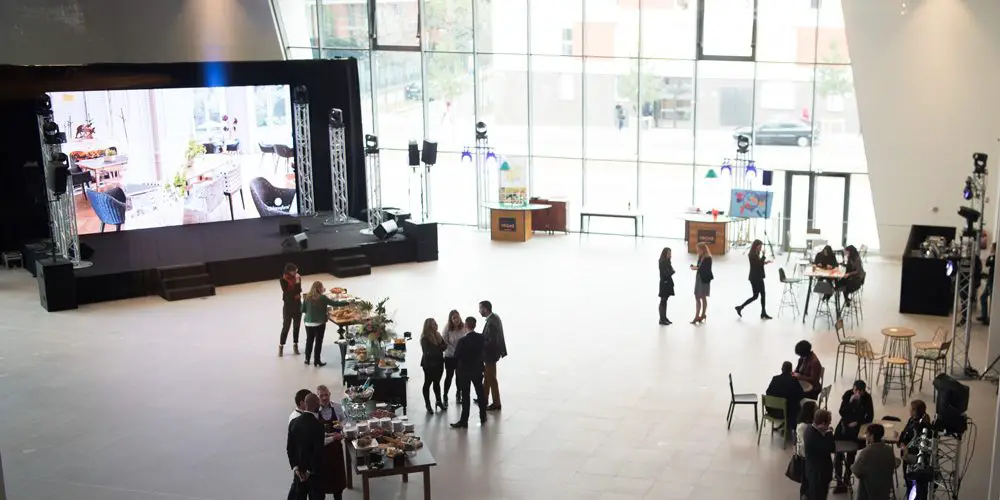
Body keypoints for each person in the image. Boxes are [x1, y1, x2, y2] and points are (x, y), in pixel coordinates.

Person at [833, 380, 875, 491]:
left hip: (857, 428)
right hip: (843, 427)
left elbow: (870, 416)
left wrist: (857, 422)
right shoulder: (848, 394)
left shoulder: (867, 398)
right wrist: (850, 402)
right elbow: (842, 412)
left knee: (851, 455)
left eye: (859, 391)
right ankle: (839, 481)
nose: (856, 393)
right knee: (838, 455)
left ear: (863, 391)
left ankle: (847, 477)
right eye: (855, 390)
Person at [300, 281, 351, 367]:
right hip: (319, 323)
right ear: (319, 288)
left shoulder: (306, 297)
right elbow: (335, 303)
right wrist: (347, 303)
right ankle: (317, 361)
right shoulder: (322, 297)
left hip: (308, 323)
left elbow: (303, 310)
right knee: (318, 342)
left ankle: (307, 359)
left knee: (309, 341)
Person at [286, 393, 324, 500]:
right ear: (317, 406)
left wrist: (296, 468)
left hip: (299, 472)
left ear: (305, 404)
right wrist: (309, 471)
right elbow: (317, 452)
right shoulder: (318, 426)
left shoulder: (293, 423)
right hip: (314, 473)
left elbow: (290, 448)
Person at [451, 316, 487, 428]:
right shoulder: (481, 338)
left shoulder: (463, 341)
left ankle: (464, 420)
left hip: (465, 371)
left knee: (465, 396)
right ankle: (483, 416)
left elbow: (456, 355)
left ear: (466, 325)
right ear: (475, 325)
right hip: (477, 369)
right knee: (480, 393)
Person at [315, 385, 347, 500]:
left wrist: (341, 425)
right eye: (321, 395)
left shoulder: (337, 407)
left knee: (337, 480)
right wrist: (333, 436)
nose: (324, 398)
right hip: (321, 453)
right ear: (317, 397)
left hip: (336, 451)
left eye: (326, 395)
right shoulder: (314, 413)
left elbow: (344, 418)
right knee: (322, 483)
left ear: (330, 394)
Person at [851, 424, 897, 500]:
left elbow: (856, 471)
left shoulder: (866, 452)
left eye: (867, 434)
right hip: (885, 489)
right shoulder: (888, 450)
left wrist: (852, 466)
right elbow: (893, 465)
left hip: (869, 491)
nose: (866, 435)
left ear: (872, 436)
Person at [803, 409, 835, 500]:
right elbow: (831, 448)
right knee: (819, 496)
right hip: (818, 474)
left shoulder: (810, 428)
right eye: (828, 423)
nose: (829, 425)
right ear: (823, 423)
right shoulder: (813, 437)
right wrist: (829, 432)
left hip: (817, 471)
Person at [736, 239, 772, 319]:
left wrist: (765, 262)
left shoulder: (755, 253)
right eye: (760, 246)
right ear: (756, 246)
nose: (761, 248)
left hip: (756, 277)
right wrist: (763, 256)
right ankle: (741, 307)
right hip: (756, 278)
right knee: (758, 295)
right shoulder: (752, 254)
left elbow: (758, 263)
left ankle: (762, 312)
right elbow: (757, 264)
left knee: (759, 295)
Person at [480, 300, 506, 411]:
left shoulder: (492, 322)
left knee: (491, 378)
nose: (479, 311)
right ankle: (484, 398)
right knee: (487, 377)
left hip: (490, 355)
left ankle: (496, 403)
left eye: (480, 308)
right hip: (492, 354)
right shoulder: (494, 318)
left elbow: (492, 342)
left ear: (485, 309)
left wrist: (480, 342)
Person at [766, 361, 804, 432]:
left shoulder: (775, 379)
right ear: (791, 370)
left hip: (773, 411)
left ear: (781, 369)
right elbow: (801, 395)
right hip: (788, 413)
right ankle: (793, 427)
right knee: (798, 406)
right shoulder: (794, 380)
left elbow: (768, 392)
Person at [420, 318, 447, 414]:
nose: (436, 325)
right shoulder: (425, 338)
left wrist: (439, 348)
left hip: (439, 363)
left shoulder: (438, 335)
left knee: (437, 382)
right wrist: (439, 348)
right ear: (429, 326)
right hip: (429, 364)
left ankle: (438, 401)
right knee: (427, 383)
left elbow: (445, 346)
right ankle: (428, 404)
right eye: (434, 324)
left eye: (436, 323)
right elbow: (428, 352)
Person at [441, 310, 467, 408]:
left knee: (459, 376)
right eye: (454, 318)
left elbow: (466, 339)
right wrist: (455, 351)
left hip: (460, 356)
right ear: (451, 320)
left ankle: (458, 395)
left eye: (457, 317)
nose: (456, 319)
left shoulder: (464, 326)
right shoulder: (447, 327)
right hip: (450, 356)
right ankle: (445, 396)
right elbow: (445, 342)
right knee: (449, 376)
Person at [796, 400, 819, 498]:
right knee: (806, 481)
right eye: (816, 409)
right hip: (805, 457)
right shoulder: (803, 426)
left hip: (809, 456)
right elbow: (807, 444)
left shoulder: (810, 424)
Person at [279, 263, 303, 357]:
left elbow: (299, 290)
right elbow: (286, 293)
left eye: (296, 271)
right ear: (288, 271)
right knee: (286, 327)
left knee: (296, 327)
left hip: (297, 305)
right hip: (288, 306)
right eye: (294, 271)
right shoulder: (283, 279)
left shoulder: (297, 278)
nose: (296, 272)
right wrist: (295, 292)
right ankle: (281, 346)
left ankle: (295, 345)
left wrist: (297, 285)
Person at [690, 242, 713, 324]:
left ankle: (702, 314)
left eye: (698, 249)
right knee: (697, 296)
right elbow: (699, 267)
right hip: (699, 278)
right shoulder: (700, 256)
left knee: (703, 297)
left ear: (703, 249)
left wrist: (696, 268)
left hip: (704, 280)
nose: (697, 251)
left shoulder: (708, 258)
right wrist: (695, 267)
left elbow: (705, 269)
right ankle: (697, 316)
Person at [658, 247, 675, 325]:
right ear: (665, 253)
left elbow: (670, 271)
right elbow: (668, 273)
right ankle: (662, 319)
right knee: (663, 301)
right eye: (668, 253)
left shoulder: (667, 261)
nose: (670, 255)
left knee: (665, 301)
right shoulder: (663, 262)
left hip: (667, 283)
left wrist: (671, 271)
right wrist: (672, 271)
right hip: (664, 283)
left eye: (670, 253)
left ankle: (664, 317)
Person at [979, 243, 995, 324]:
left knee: (993, 301)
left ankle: (992, 319)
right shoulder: (992, 257)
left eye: (992, 247)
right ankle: (984, 316)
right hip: (990, 280)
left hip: (993, 281)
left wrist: (992, 256)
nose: (990, 248)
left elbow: (990, 263)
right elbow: (987, 263)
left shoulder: (995, 258)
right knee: (983, 298)